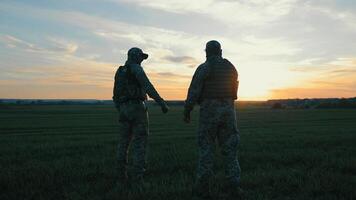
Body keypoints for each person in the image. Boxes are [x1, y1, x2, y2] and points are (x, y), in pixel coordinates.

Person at [183, 40, 242, 198]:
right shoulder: (230, 67)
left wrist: (187, 110)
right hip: (228, 111)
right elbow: (234, 90)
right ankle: (234, 185)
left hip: (209, 111)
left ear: (207, 52)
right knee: (230, 149)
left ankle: (203, 188)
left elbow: (194, 91)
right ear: (220, 51)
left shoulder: (204, 67)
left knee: (206, 149)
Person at [113, 47, 169, 189]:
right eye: (141, 57)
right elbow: (148, 87)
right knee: (140, 144)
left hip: (123, 109)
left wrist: (120, 108)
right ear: (135, 57)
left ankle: (120, 178)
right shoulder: (136, 69)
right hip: (137, 108)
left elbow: (115, 95)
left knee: (123, 144)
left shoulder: (120, 72)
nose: (142, 60)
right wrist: (161, 103)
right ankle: (138, 180)